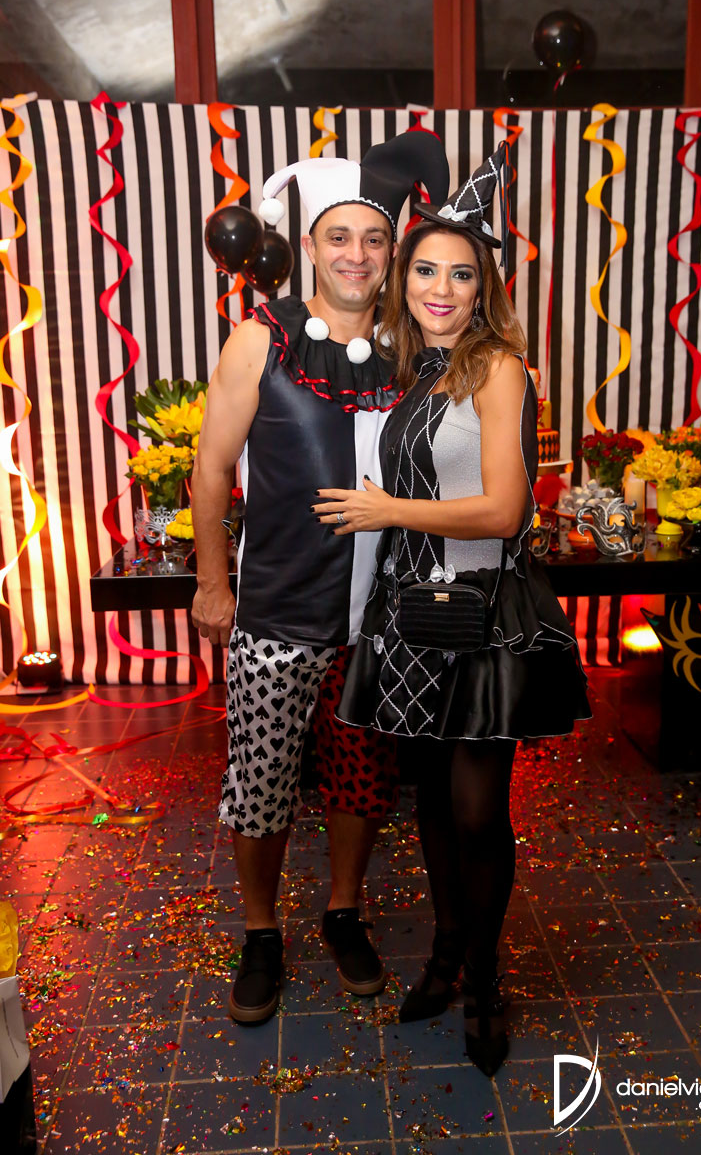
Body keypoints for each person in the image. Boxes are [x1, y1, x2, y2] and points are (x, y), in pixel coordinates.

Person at [313, 145, 591, 1075]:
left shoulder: (498, 369)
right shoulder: (412, 370)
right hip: (409, 617)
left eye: (460, 274)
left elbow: (506, 511)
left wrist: (387, 510)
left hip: (483, 619)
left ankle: (484, 982)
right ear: (404, 279)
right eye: (426, 269)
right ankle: (442, 956)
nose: (440, 287)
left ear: (483, 288)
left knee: (476, 812)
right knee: (429, 802)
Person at [191, 132, 450, 1025]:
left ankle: (343, 910)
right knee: (262, 779)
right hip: (276, 609)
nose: (357, 255)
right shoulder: (259, 339)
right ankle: (261, 930)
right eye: (340, 237)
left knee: (361, 778)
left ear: (392, 250)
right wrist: (213, 583)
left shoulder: (412, 344)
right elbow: (211, 468)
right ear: (309, 245)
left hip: (379, 618)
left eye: (374, 240)